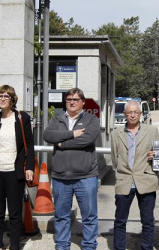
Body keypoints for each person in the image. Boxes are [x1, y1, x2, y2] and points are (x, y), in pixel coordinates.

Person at [43, 87, 101, 250]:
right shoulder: (57, 119)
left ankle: (89, 246)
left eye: (75, 100)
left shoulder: (91, 120)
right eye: (69, 100)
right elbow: (48, 136)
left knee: (89, 217)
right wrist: (72, 134)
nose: (72, 102)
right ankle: (62, 246)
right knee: (61, 216)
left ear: (82, 102)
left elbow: (87, 140)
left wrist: (61, 143)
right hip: (61, 177)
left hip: (86, 177)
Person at [0, 85, 35, 250]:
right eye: (0, 96)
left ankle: (15, 246)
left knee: (15, 213)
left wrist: (29, 167)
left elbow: (29, 144)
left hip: (14, 172)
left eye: (6, 96)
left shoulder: (22, 118)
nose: (2, 99)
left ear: (12, 99)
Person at [110, 100, 159, 250]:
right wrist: (121, 175)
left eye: (136, 112)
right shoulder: (115, 133)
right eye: (129, 113)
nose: (132, 115)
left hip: (146, 180)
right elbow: (114, 159)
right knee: (120, 221)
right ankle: (119, 247)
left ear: (140, 114)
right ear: (125, 114)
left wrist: (155, 156)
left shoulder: (152, 131)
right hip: (124, 181)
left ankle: (146, 247)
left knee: (148, 221)